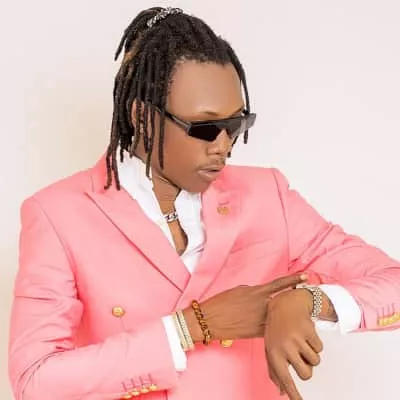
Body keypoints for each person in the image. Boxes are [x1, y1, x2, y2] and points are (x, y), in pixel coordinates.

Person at [8, 6, 400, 400]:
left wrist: (309, 301)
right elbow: (34, 381)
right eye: (207, 127)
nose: (224, 146)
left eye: (236, 125)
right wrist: (189, 328)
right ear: (143, 117)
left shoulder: (268, 196)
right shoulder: (58, 215)